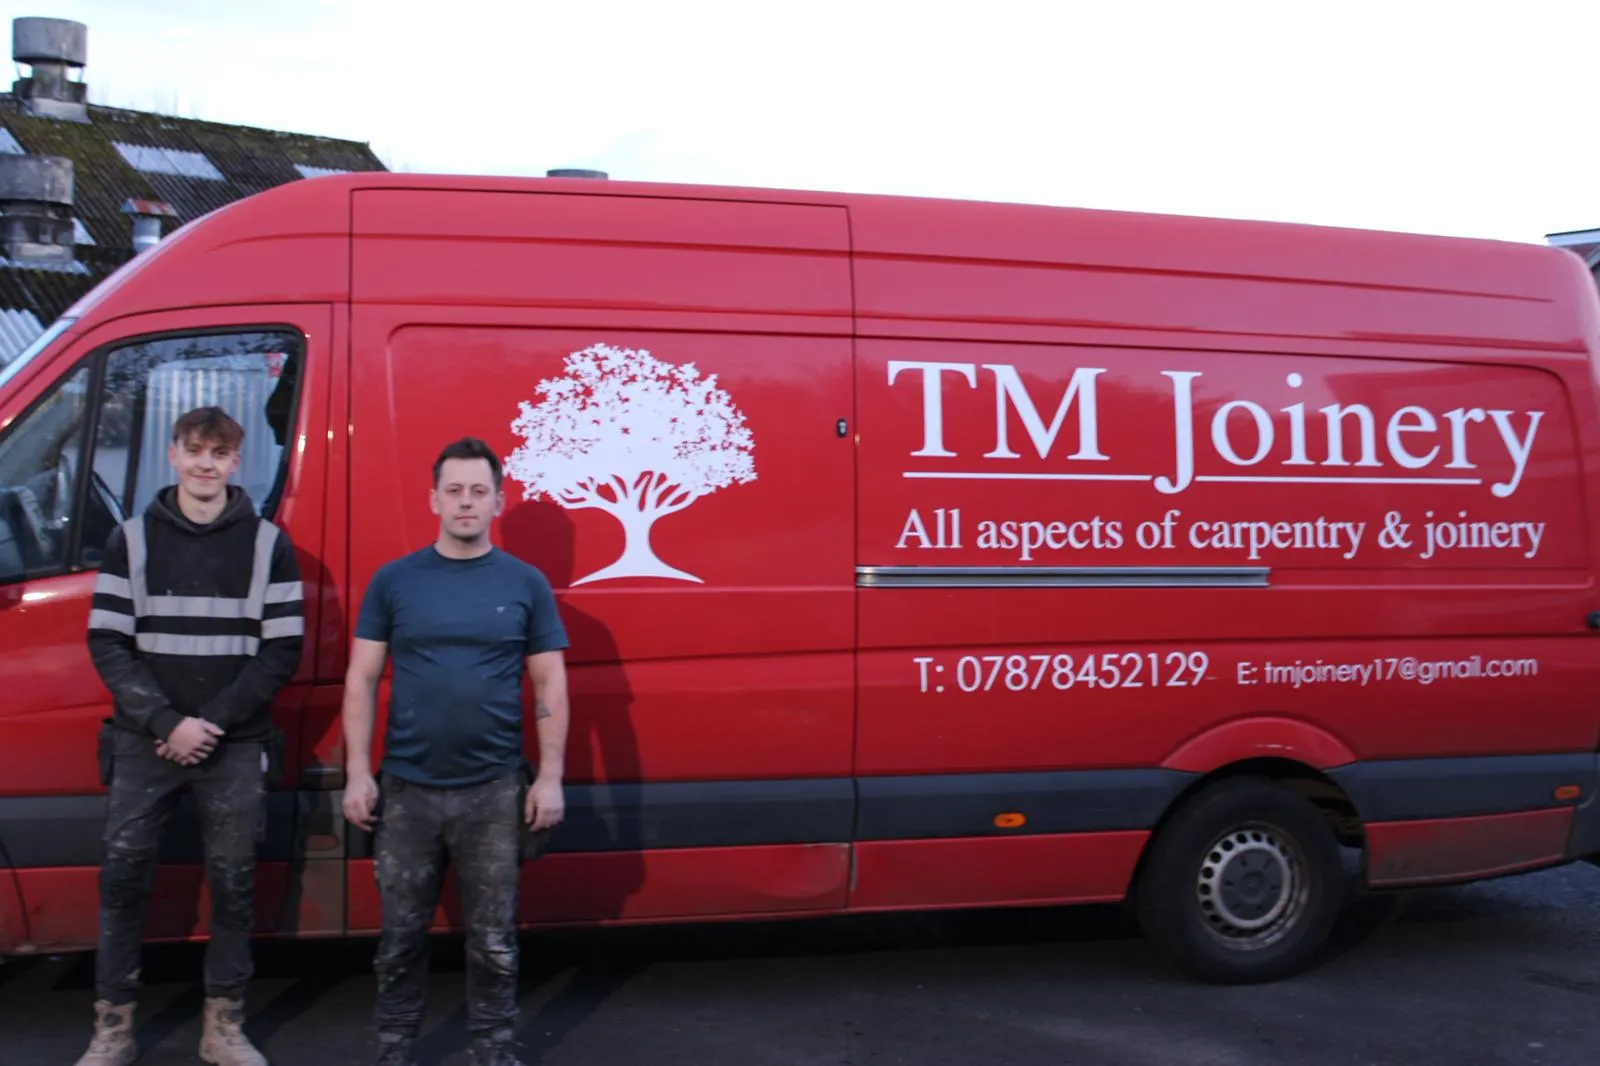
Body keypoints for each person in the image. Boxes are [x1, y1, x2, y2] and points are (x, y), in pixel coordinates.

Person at [76, 406, 304, 1066]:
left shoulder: (268, 544)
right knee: (122, 880)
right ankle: (112, 1028)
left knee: (233, 884)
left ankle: (223, 1028)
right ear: (172, 456)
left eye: (220, 453)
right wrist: (167, 722)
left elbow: (281, 652)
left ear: (238, 463)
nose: (206, 463)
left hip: (232, 745)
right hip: (144, 743)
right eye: (194, 450)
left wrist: (209, 726)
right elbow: (109, 642)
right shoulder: (132, 540)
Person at [341, 436, 570, 1066]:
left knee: (494, 941)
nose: (465, 502)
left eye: (478, 491)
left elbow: (550, 682)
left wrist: (548, 780)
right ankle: (395, 1048)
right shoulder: (394, 581)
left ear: (498, 501)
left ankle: (493, 1050)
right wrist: (359, 774)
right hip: (407, 792)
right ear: (433, 499)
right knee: (398, 941)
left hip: (495, 791)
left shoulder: (526, 584)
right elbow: (361, 678)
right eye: (454, 491)